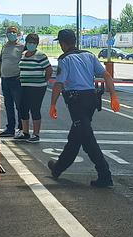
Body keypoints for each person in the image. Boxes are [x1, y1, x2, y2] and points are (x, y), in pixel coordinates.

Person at [48, 29, 121, 188]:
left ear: (62, 43)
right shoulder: (89, 55)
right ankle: (58, 168)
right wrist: (114, 96)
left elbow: (59, 83)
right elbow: (106, 75)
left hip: (76, 101)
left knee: (87, 139)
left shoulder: (64, 59)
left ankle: (105, 174)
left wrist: (53, 104)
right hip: (91, 100)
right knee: (76, 137)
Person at [16, 33, 53, 142]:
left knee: (35, 109)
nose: (31, 44)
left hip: (37, 87)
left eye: (33, 43)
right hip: (24, 86)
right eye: (29, 42)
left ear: (36, 44)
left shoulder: (41, 55)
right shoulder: (23, 54)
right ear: (26, 43)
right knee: (23, 108)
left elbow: (49, 71)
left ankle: (36, 134)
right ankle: (25, 132)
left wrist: (42, 80)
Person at [0, 26, 25, 138]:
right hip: (5, 79)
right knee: (8, 105)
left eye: (14, 32)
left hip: (16, 79)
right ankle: (10, 128)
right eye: (9, 32)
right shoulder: (5, 46)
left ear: (17, 34)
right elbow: (2, 61)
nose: (11, 34)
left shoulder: (22, 47)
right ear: (6, 34)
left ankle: (22, 127)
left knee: (19, 105)